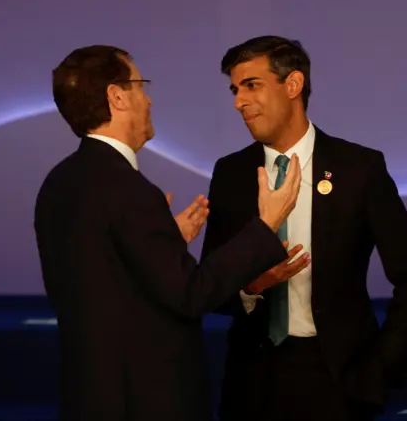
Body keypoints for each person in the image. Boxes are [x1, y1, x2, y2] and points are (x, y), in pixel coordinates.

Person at [34, 45, 303, 421]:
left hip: (90, 395)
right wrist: (265, 225)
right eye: (140, 85)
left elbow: (100, 276)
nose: (149, 98)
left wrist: (166, 242)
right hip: (145, 400)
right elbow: (192, 294)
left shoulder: (60, 182)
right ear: (117, 96)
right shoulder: (130, 191)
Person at [200, 36, 407, 421]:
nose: (238, 102)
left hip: (337, 380)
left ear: (292, 85)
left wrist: (381, 369)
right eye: (234, 89)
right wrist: (252, 287)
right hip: (252, 381)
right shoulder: (230, 173)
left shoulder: (359, 168)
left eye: (251, 86)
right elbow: (211, 286)